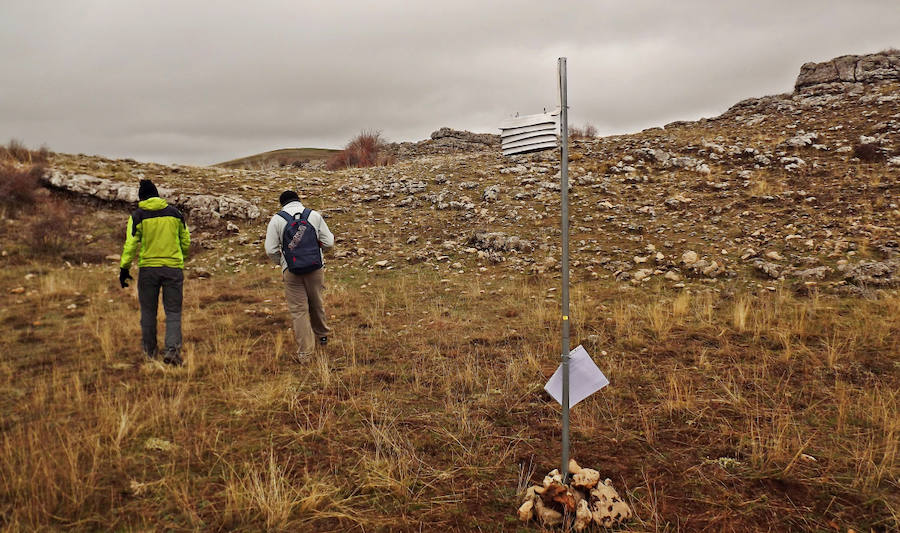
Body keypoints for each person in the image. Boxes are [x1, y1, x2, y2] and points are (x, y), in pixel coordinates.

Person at [119, 179, 191, 366]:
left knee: (148, 312)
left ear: (141, 197)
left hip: (148, 270)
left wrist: (124, 268)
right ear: (157, 194)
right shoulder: (176, 214)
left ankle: (149, 353)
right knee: (173, 312)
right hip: (173, 269)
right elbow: (185, 240)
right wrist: (179, 257)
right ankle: (172, 353)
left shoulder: (138, 216)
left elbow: (131, 244)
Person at [265, 190, 334, 361]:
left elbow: (270, 249)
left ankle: (306, 353)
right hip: (315, 268)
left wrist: (283, 262)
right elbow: (329, 242)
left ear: (282, 203)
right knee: (316, 302)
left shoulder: (276, 220)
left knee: (299, 310)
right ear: (298, 200)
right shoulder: (314, 215)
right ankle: (322, 335)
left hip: (291, 271)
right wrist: (317, 253)